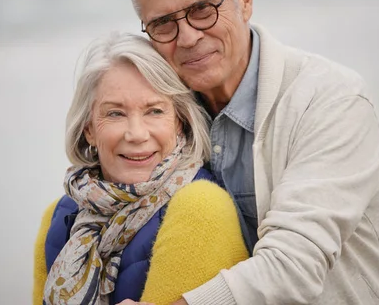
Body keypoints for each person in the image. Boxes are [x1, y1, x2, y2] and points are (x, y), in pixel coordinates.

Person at [123, 0, 379, 305]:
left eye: (202, 9)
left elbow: (293, 266)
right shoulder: (164, 117)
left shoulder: (331, 99)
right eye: (163, 23)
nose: (187, 37)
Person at [35, 32, 248, 305]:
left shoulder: (200, 207)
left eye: (154, 111)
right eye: (115, 113)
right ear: (88, 129)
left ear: (179, 121)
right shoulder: (59, 215)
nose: (136, 134)